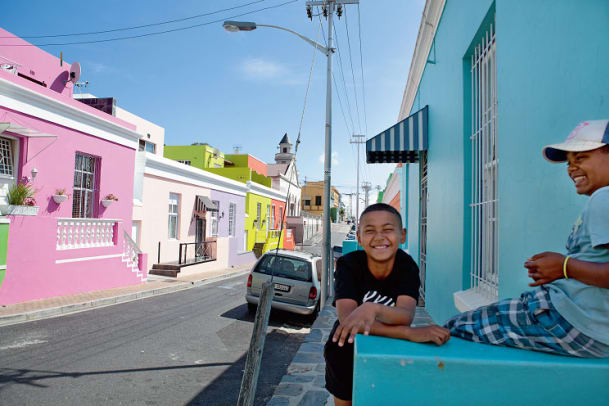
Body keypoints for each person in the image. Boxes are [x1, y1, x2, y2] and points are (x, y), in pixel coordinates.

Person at [445, 119, 609, 358]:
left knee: (456, 328)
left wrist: (564, 267)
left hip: (572, 321)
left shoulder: (604, 197)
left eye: (581, 158)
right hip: (585, 324)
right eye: (569, 162)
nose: (571, 168)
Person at [324, 203, 450, 406]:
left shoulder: (407, 267)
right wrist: (409, 333)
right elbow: (347, 321)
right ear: (359, 237)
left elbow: (405, 315)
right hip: (344, 349)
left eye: (388, 229)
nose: (379, 237)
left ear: (403, 235)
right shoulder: (348, 265)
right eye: (370, 230)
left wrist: (372, 308)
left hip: (388, 351)